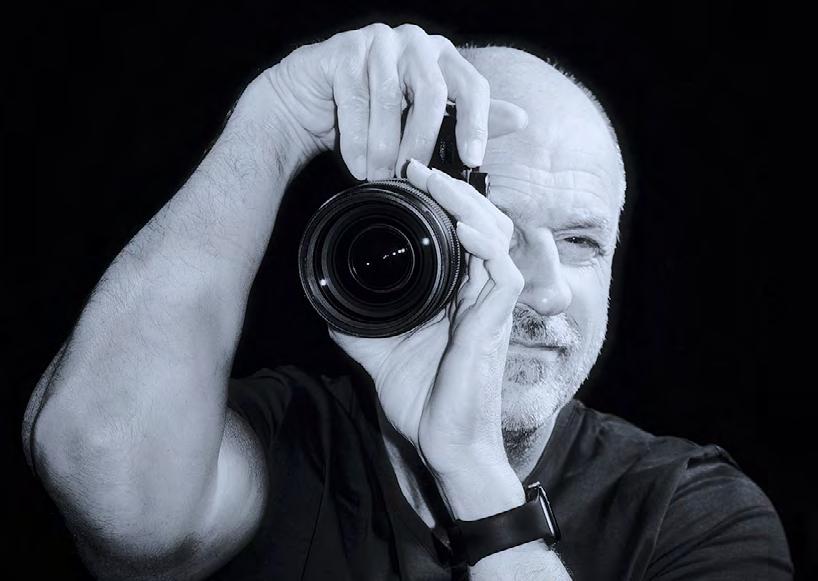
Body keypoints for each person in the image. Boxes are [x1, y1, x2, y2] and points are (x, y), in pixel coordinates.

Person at [21, 23, 791, 580]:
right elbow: (102, 471)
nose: (548, 287)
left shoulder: (691, 511)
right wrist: (275, 119)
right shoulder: (290, 446)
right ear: (404, 234)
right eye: (493, 228)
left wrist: (475, 472)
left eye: (583, 241)